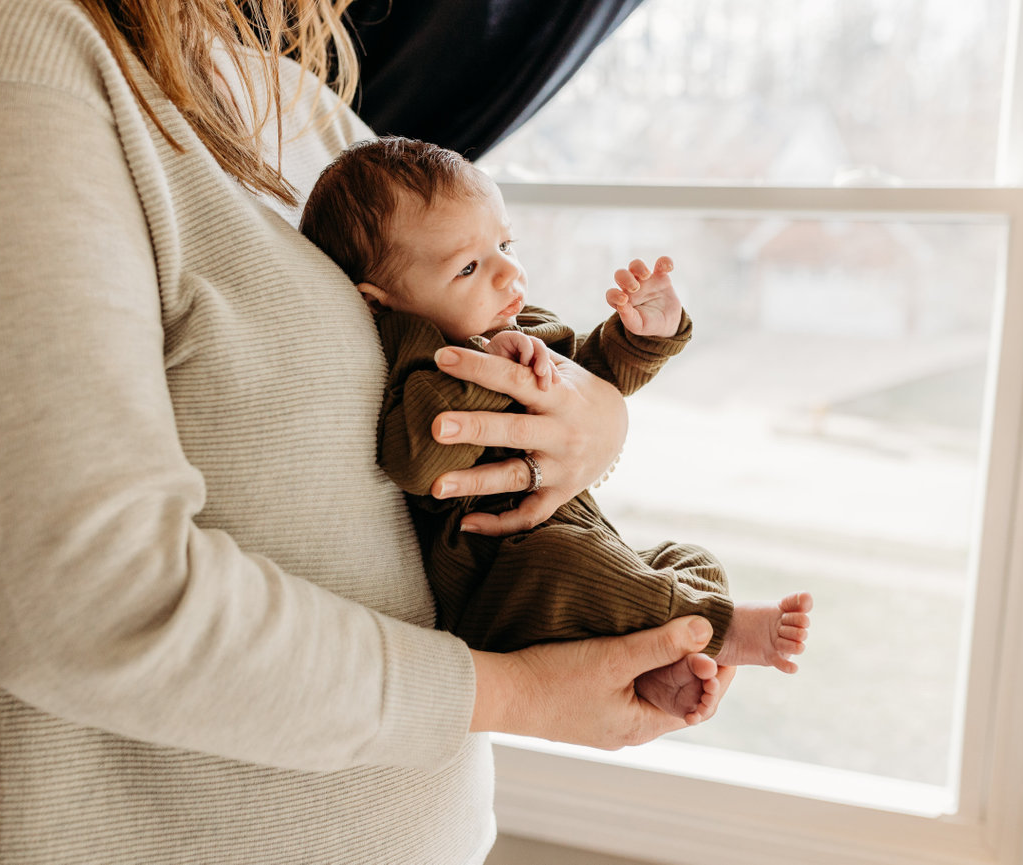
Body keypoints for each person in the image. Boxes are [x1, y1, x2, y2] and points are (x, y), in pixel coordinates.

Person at [0, 0, 738, 862]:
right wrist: (516, 696)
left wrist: (595, 418)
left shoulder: (290, 107)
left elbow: (447, 374)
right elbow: (87, 598)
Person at [299, 136, 813, 718]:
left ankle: (663, 671)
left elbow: (590, 379)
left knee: (687, 560)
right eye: (468, 267)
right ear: (381, 301)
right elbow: (416, 457)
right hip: (503, 576)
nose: (507, 272)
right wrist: (494, 367)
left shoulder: (515, 324)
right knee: (577, 566)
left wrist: (640, 336)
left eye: (504, 244)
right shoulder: (420, 354)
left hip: (578, 544)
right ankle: (722, 630)